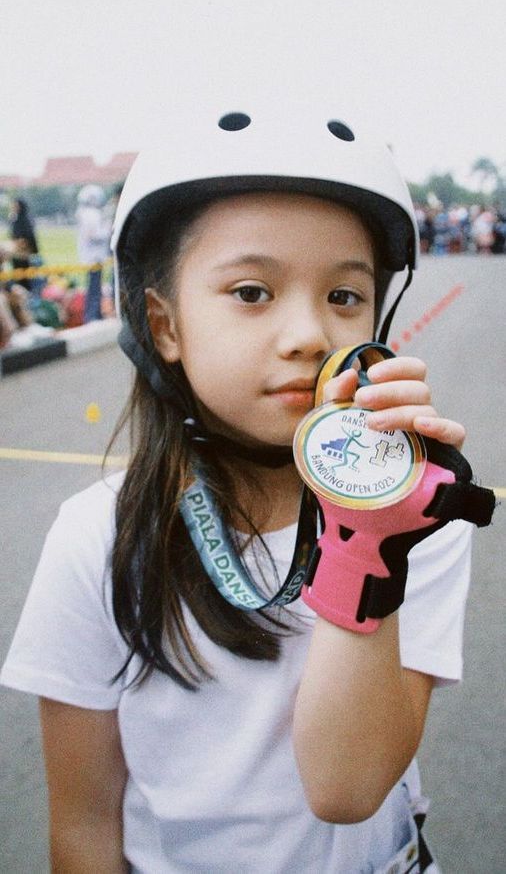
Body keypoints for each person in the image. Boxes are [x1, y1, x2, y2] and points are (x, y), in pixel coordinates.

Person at [0, 108, 494, 873]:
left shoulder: (413, 518)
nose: (308, 334)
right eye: (253, 291)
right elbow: (85, 827)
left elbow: (346, 785)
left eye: (344, 297)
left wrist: (368, 533)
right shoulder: (96, 535)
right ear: (164, 325)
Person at [75, 183, 110, 323]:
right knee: (94, 287)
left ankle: (94, 313)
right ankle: (92, 315)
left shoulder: (83, 213)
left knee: (94, 286)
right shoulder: (91, 214)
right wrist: (107, 230)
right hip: (94, 256)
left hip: (90, 256)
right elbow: (94, 235)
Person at [8, 197, 41, 290]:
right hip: (17, 254)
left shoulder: (24, 219)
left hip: (23, 254)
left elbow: (26, 238)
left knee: (24, 279)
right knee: (18, 278)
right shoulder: (15, 218)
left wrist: (18, 246)